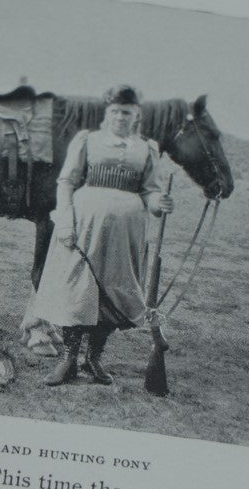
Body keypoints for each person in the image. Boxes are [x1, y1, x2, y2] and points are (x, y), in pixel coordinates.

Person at [29, 85, 173, 385]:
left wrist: (160, 203)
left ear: (136, 116)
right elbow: (67, 181)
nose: (121, 117)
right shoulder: (88, 140)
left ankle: (93, 359)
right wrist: (66, 221)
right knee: (78, 288)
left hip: (127, 233)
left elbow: (150, 191)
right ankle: (68, 360)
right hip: (86, 226)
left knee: (115, 291)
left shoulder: (146, 148)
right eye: (116, 111)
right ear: (107, 113)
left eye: (127, 112)